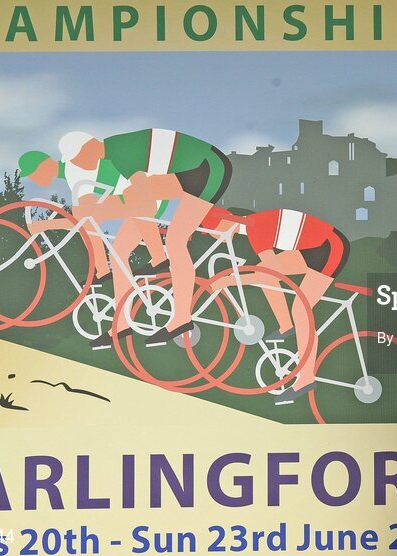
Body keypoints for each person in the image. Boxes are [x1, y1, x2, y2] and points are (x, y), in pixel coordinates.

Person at [20, 128, 231, 349]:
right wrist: (97, 211)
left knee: (175, 241)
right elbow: (132, 202)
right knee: (119, 253)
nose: (78, 164)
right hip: (186, 172)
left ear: (89, 146)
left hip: (210, 168)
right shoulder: (112, 154)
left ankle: (181, 319)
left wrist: (97, 211)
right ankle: (121, 324)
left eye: (77, 158)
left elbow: (146, 206)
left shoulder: (121, 155)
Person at [200, 206, 350, 401]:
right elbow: (268, 272)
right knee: (262, 271)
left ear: (224, 222)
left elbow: (271, 273)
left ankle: (306, 378)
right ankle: (286, 326)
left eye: (212, 231)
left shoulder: (255, 229)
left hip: (330, 247)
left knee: (300, 309)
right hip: (312, 247)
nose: (214, 236)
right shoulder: (252, 226)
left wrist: (229, 281)